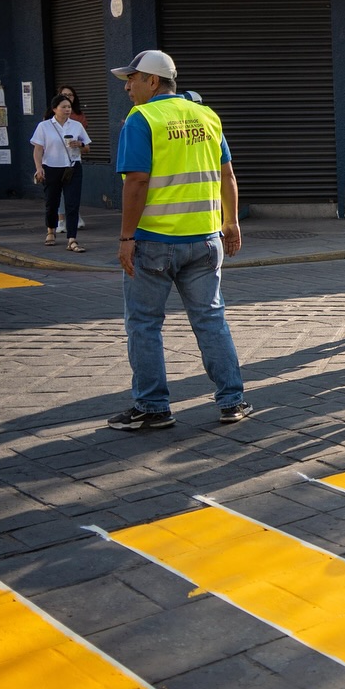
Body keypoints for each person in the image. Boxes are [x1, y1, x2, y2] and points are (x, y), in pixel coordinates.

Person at [108, 50, 250, 429]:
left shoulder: (142, 119)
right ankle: (232, 401)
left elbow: (136, 182)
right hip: (205, 240)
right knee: (211, 320)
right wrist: (231, 222)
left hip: (154, 242)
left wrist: (125, 237)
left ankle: (153, 408)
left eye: (132, 78)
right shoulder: (208, 116)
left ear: (152, 82)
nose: (127, 87)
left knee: (144, 324)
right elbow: (228, 176)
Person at [30, 94, 91, 252]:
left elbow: (87, 148)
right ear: (54, 109)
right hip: (51, 167)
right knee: (52, 202)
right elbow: (38, 150)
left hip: (72, 167)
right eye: (63, 107)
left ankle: (72, 239)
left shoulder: (76, 125)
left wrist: (80, 144)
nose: (67, 109)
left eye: (69, 107)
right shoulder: (44, 126)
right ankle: (51, 230)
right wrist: (39, 168)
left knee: (72, 203)